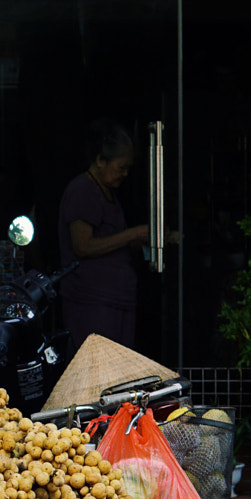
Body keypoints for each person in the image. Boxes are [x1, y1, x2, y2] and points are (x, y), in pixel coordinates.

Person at [57, 122, 150, 357]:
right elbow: (82, 245)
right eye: (121, 167)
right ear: (100, 160)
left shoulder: (108, 191)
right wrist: (133, 234)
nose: (125, 174)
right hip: (93, 304)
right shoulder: (82, 191)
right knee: (96, 370)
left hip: (116, 301)